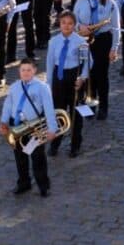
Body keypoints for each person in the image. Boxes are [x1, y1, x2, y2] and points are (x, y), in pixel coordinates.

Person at [0, 59, 58, 197]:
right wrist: (3, 122)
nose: (25, 73)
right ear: (19, 71)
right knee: (20, 157)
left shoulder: (42, 87)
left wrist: (52, 128)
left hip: (34, 126)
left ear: (35, 71)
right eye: (23, 70)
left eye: (29, 70)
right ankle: (23, 183)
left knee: (38, 157)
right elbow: (8, 106)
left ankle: (43, 186)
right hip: (17, 125)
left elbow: (49, 108)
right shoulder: (14, 87)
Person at [74, 0, 121, 120]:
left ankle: (103, 107)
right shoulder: (81, 2)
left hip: (102, 41)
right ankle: (90, 106)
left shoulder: (110, 4)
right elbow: (73, 21)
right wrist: (79, 27)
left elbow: (116, 28)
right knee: (88, 74)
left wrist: (114, 48)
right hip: (84, 40)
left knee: (101, 76)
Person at [46, 11, 90, 157]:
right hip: (59, 77)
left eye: (70, 23)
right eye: (64, 22)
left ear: (74, 25)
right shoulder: (54, 41)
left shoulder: (80, 42)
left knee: (75, 113)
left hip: (74, 77)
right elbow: (50, 63)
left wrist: (82, 78)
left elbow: (88, 63)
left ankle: (75, 145)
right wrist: (49, 84)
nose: (66, 26)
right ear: (59, 23)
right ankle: (55, 144)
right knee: (59, 112)